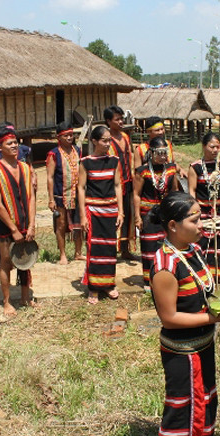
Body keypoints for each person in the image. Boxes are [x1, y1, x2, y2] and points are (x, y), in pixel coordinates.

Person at [149, 191, 220, 436]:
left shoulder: (193, 250)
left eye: (200, 218)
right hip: (182, 353)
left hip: (203, 343)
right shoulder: (165, 266)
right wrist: (213, 317)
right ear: (173, 226)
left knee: (204, 400)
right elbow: (169, 318)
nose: (201, 225)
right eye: (194, 220)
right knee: (182, 410)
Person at [0, 127, 37, 318]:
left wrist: (31, 225)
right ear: (0, 147)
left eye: (16, 142)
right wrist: (13, 229)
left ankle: (25, 297)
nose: (15, 145)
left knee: (26, 259)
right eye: (10, 143)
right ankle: (7, 302)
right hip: (6, 225)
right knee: (6, 262)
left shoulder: (25, 168)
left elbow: (32, 197)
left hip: (26, 221)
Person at [78, 126, 124, 304]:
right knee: (95, 248)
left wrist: (121, 211)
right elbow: (81, 188)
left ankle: (109, 284)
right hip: (93, 211)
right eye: (104, 140)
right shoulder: (86, 162)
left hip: (111, 210)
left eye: (109, 140)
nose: (108, 143)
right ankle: (94, 288)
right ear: (94, 141)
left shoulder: (114, 161)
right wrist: (82, 216)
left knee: (110, 248)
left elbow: (118, 186)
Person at [188, 132, 220, 286]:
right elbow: (192, 191)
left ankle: (218, 279)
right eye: (211, 146)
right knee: (202, 246)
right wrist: (195, 215)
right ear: (204, 146)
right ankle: (202, 278)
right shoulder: (195, 167)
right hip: (203, 214)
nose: (215, 150)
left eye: (217, 147)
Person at [133, 136, 179, 290]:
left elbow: (174, 191)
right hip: (148, 215)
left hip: (166, 214)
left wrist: (176, 211)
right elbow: (136, 195)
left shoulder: (171, 169)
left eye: (164, 153)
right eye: (158, 153)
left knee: (167, 246)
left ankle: (166, 276)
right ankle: (149, 280)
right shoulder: (142, 171)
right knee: (149, 246)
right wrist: (137, 217)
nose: (162, 156)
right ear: (151, 153)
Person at [45, 121, 83, 265]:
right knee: (61, 225)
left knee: (79, 224)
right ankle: (62, 255)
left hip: (77, 195)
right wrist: (50, 199)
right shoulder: (53, 154)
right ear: (59, 137)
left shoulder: (77, 151)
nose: (69, 138)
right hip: (60, 195)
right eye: (66, 135)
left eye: (71, 135)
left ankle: (78, 253)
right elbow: (49, 177)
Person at [105, 106, 137, 260]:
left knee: (129, 215)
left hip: (128, 181)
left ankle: (125, 249)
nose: (121, 121)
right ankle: (111, 250)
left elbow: (130, 155)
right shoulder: (106, 141)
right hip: (113, 184)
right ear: (108, 121)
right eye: (117, 119)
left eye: (121, 118)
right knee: (115, 215)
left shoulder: (125, 136)